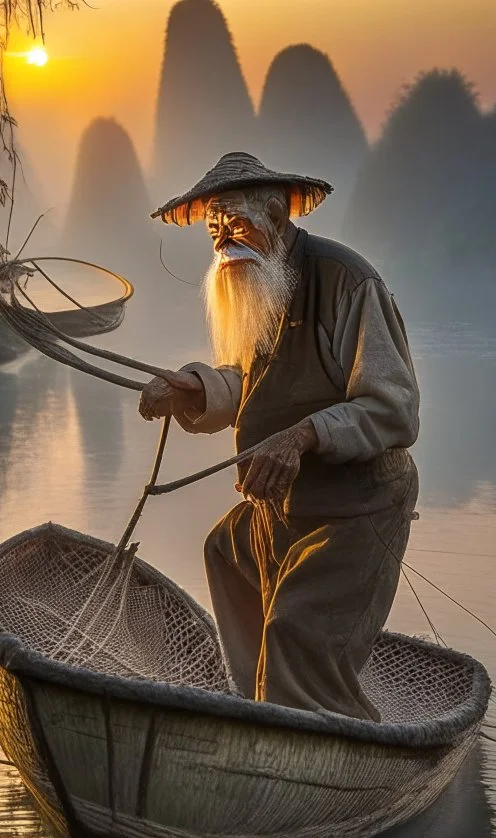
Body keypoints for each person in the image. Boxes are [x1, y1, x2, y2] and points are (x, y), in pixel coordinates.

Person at [139, 152, 419, 721]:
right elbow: (248, 380)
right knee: (225, 552)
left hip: (355, 508)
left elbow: (394, 411)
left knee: (294, 633)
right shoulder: (252, 281)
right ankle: (262, 716)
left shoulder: (348, 281)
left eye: (234, 223)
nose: (223, 241)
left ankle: (319, 741)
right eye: (213, 228)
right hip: (281, 502)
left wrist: (303, 437)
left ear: (274, 212)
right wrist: (193, 388)